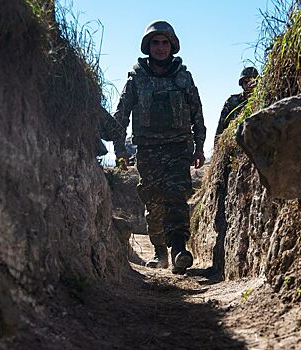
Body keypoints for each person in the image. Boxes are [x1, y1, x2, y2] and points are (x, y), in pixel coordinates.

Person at [113, 20, 206, 274]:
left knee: (176, 197)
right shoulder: (136, 78)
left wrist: (199, 146)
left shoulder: (183, 78)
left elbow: (197, 113)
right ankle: (159, 251)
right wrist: (120, 150)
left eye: (165, 43)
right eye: (156, 43)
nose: (161, 48)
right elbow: (121, 115)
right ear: (148, 46)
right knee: (154, 203)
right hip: (148, 150)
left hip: (178, 148)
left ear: (172, 45)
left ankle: (179, 249)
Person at [214, 67, 259, 143]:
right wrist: (217, 149)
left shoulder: (262, 99)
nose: (249, 84)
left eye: (251, 81)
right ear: (242, 84)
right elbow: (221, 127)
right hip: (234, 143)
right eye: (245, 82)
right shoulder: (232, 101)